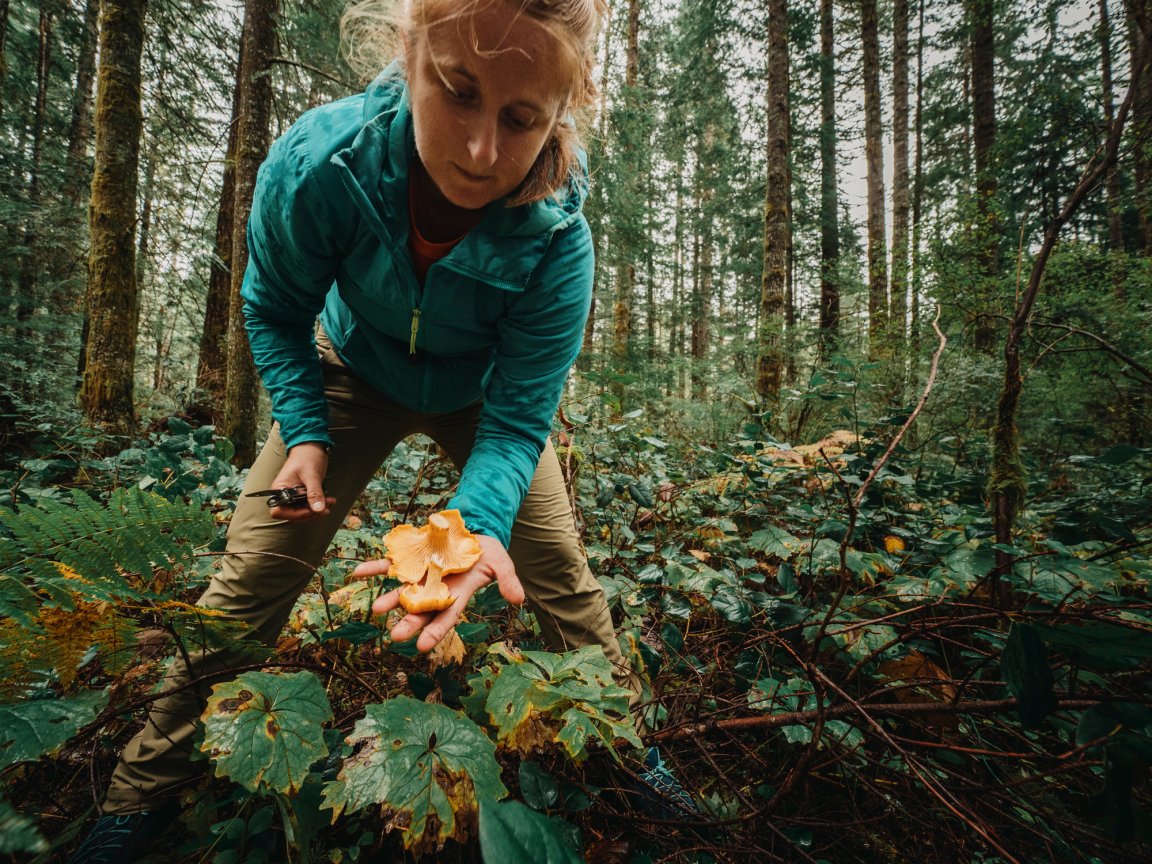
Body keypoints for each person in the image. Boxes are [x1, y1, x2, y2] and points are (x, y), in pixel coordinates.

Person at [68, 2, 693, 860]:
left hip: (481, 405)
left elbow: (517, 420)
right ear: (410, 55)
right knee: (252, 575)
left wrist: (475, 526)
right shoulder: (324, 165)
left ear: (560, 115)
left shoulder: (558, 242)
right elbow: (274, 307)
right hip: (348, 373)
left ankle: (628, 750)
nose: (479, 151)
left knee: (561, 576)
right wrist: (308, 431)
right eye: (458, 91)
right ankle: (137, 800)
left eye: (519, 120)